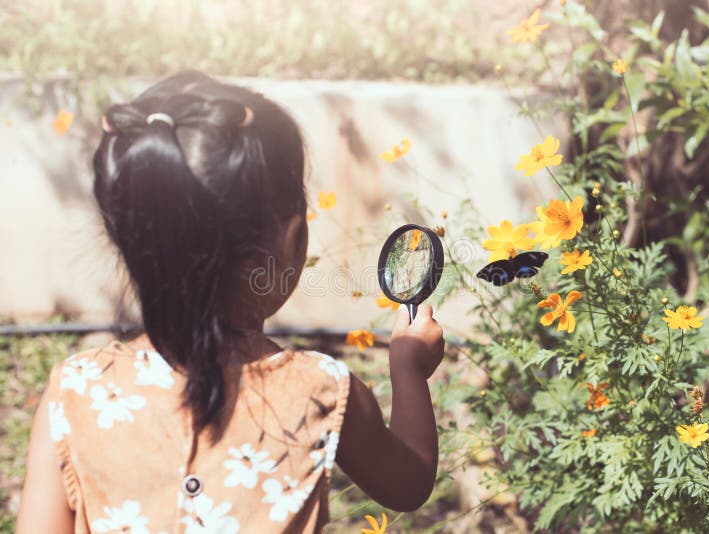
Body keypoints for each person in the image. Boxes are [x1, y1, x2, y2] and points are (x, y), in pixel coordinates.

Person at [15, 71, 444, 534]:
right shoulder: (320, 389)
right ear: (294, 239)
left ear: (128, 241)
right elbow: (409, 481)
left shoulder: (74, 391)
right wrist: (408, 369)